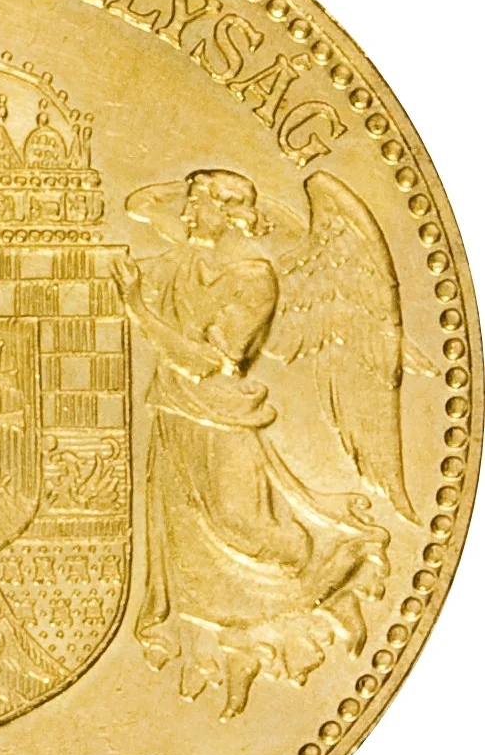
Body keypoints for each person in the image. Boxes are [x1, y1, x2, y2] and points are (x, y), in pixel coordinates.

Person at [114, 170, 388, 719]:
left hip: (221, 416)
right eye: (188, 203)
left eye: (196, 204)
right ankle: (227, 651)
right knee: (185, 543)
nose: (186, 214)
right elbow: (137, 215)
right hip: (173, 415)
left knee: (245, 524)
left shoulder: (254, 278)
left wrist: (137, 307)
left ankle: (330, 579)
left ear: (227, 211)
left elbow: (208, 361)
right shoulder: (177, 264)